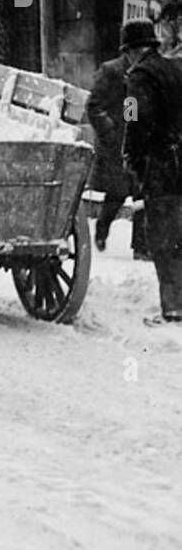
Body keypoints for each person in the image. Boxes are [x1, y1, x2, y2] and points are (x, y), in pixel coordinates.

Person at [122, 18, 182, 326]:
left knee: (164, 238)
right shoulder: (176, 68)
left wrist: (131, 154)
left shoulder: (137, 78)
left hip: (162, 166)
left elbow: (134, 118)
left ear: (132, 51)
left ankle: (174, 309)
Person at [87, 42, 148, 258]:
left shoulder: (146, 72)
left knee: (143, 194)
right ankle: (103, 228)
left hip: (139, 142)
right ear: (128, 51)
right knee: (118, 193)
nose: (141, 55)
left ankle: (141, 247)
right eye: (138, 50)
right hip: (114, 144)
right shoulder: (110, 71)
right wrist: (109, 130)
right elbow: (93, 106)